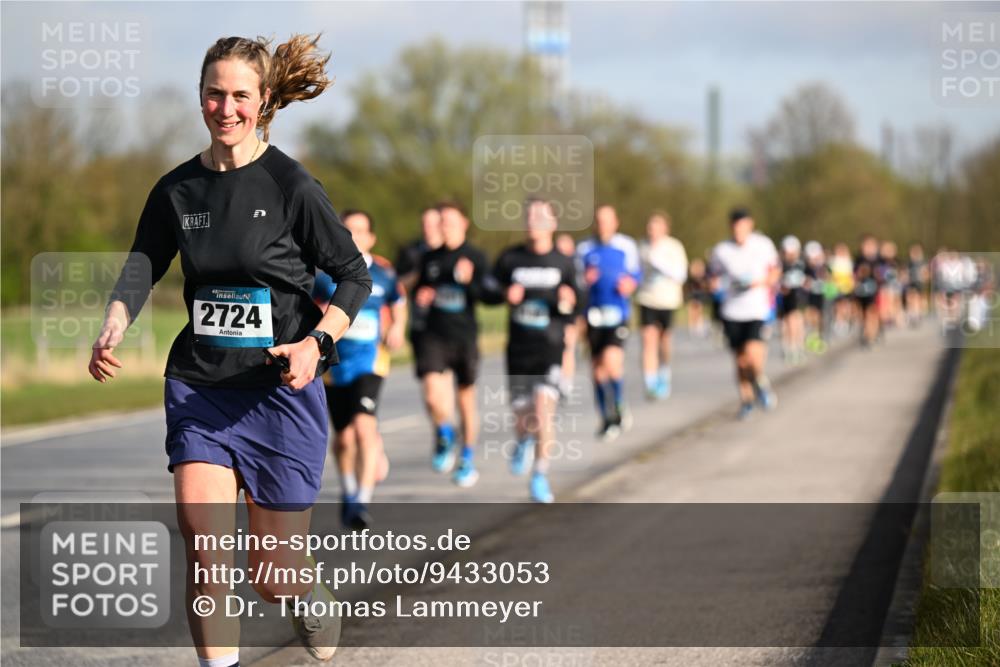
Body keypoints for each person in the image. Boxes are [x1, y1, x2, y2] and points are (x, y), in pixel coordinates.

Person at [88, 36, 371, 666]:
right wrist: (114, 321)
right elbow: (143, 264)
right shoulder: (177, 190)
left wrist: (317, 341)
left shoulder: (292, 184)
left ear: (263, 100)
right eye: (215, 93)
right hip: (201, 386)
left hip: (279, 393)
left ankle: (304, 589)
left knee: (272, 577)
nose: (226, 107)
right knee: (206, 548)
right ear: (201, 97)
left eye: (240, 95)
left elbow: (355, 276)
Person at [313, 210, 406, 530]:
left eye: (360, 231)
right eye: (347, 231)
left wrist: (398, 329)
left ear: (370, 238)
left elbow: (398, 300)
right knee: (344, 438)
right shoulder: (323, 275)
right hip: (334, 364)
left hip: (371, 360)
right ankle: (349, 489)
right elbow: (305, 309)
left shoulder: (383, 272)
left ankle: (361, 501)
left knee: (364, 427)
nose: (353, 237)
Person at [491, 199, 579, 502]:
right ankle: (523, 440)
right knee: (522, 416)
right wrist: (504, 293)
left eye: (541, 216)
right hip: (519, 349)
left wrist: (570, 300)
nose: (533, 221)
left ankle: (540, 475)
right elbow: (488, 291)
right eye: (529, 216)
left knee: (543, 412)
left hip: (550, 347)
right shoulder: (510, 258)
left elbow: (579, 301)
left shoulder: (564, 262)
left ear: (553, 223)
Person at [414, 202, 491, 486]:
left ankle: (467, 459)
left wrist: (470, 281)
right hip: (435, 335)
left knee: (465, 401)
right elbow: (423, 288)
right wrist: (422, 295)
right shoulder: (430, 257)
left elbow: (490, 296)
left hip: (464, 337)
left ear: (463, 223)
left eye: (449, 221)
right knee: (433, 394)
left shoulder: (475, 257)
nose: (443, 226)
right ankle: (445, 434)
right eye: (441, 221)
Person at [577, 205, 641, 441]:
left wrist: (630, 284)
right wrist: (584, 280)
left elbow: (636, 274)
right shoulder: (583, 248)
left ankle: (619, 405)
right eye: (598, 221)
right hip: (592, 315)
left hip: (617, 313)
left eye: (607, 221)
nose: (602, 225)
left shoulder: (626, 246)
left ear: (616, 222)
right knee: (596, 371)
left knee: (612, 362)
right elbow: (575, 280)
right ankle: (605, 416)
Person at [709, 208, 780, 420]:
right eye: (734, 225)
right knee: (740, 361)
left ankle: (760, 382)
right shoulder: (721, 250)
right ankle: (746, 399)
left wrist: (761, 282)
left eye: (742, 225)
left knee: (752, 355)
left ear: (750, 225)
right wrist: (713, 285)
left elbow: (775, 271)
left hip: (756, 308)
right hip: (731, 311)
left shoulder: (763, 244)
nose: (738, 230)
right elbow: (713, 276)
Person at [636, 211, 688, 399]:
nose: (652, 230)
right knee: (648, 339)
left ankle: (664, 372)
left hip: (668, 300)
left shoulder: (674, 247)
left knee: (664, 341)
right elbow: (636, 272)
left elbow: (681, 275)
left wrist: (660, 264)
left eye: (657, 226)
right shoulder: (641, 246)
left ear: (665, 228)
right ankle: (650, 382)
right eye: (650, 226)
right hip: (647, 299)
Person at [555, 232, 584, 401]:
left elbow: (582, 295)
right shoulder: (551, 265)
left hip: (570, 313)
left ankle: (566, 382)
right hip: (553, 313)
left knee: (568, 345)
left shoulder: (575, 268)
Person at [778, 235, 807, 364]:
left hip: (798, 296)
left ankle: (797, 346)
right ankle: (788, 346)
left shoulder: (801, 264)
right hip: (785, 297)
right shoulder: (781, 265)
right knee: (786, 322)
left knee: (796, 320)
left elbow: (807, 280)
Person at [854, 234, 883, 348]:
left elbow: (882, 275)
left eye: (871, 246)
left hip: (873, 290)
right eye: (867, 246)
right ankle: (866, 331)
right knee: (863, 314)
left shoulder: (878, 260)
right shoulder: (858, 259)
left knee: (872, 312)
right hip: (861, 291)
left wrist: (876, 273)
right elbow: (855, 274)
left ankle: (872, 334)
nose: (869, 248)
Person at [685, 258, 713, 339]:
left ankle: (698, 326)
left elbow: (705, 286)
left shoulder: (703, 277)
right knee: (692, 309)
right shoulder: (692, 278)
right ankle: (692, 326)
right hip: (693, 294)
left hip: (700, 294)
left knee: (698, 308)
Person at [903, 243, 929, 326]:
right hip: (911, 282)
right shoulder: (909, 263)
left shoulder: (923, 262)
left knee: (918, 298)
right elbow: (906, 272)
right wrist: (905, 278)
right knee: (910, 297)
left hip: (919, 283)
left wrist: (925, 277)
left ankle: (918, 314)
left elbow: (926, 273)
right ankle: (912, 314)